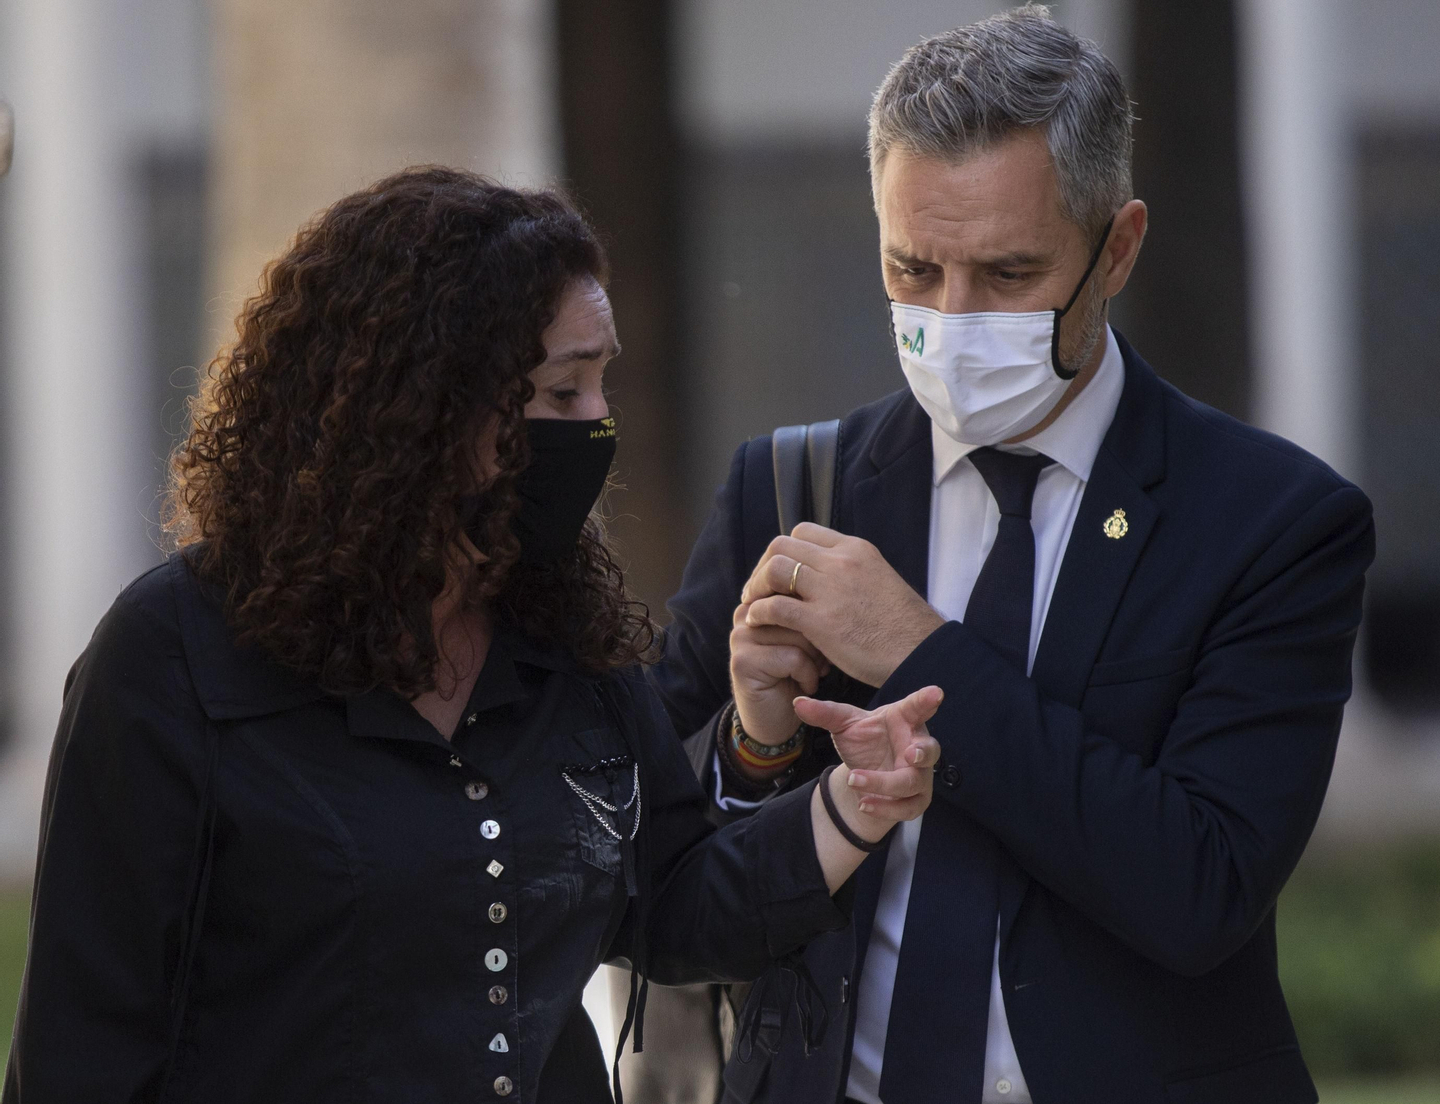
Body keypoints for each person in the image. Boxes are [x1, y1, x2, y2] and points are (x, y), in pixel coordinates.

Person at [1, 168, 947, 1104]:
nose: (597, 421)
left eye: (601, 384)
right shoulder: (172, 655)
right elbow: (82, 1049)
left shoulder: (563, 639)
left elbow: (675, 906)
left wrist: (853, 800)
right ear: (426, 409)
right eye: (562, 391)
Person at [652, 5, 1376, 1104]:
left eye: (1006, 274)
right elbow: (653, 884)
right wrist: (752, 749)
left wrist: (916, 648)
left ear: (1117, 246)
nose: (953, 319)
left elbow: (1199, 888)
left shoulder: (1271, 521)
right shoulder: (792, 490)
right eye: (914, 268)